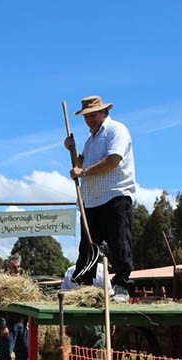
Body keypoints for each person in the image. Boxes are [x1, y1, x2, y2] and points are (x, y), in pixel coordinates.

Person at [64, 95, 136, 303]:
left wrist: (83, 172)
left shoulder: (117, 130)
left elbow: (113, 161)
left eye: (93, 114)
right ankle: (85, 287)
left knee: (119, 243)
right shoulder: (90, 140)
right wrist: (72, 149)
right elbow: (81, 163)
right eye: (86, 116)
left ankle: (122, 286)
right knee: (88, 246)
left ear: (104, 112)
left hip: (115, 195)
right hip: (92, 201)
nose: (90, 119)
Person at [0, 254, 29, 360]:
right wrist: (3, 325)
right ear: (8, 267)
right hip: (9, 324)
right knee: (6, 354)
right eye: (14, 267)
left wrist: (27, 321)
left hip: (22, 322)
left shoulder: (24, 282)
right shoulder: (3, 283)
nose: (17, 270)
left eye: (18, 267)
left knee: (23, 352)